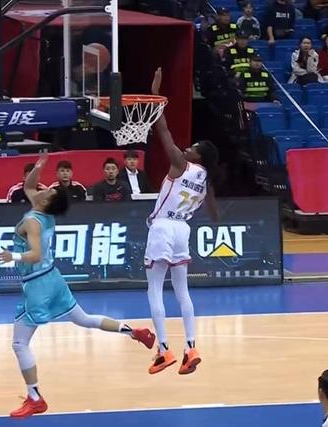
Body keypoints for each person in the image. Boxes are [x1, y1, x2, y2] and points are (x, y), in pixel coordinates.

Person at [0, 152, 156, 419]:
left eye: (48, 190)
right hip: (53, 278)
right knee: (84, 319)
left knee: (19, 343)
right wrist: (39, 166)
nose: (44, 187)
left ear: (46, 201)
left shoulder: (33, 221)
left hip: (38, 284)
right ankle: (134, 332)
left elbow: (35, 254)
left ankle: (35, 398)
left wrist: (12, 256)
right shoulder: (43, 211)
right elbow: (29, 186)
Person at [145, 67, 219, 375]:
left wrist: (156, 97)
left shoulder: (180, 163)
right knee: (182, 292)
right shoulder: (206, 179)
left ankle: (163, 350)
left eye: (193, 148)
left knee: (154, 289)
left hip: (163, 226)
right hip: (183, 229)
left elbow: (163, 131)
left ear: (197, 156)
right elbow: (214, 215)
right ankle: (191, 346)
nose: (187, 148)